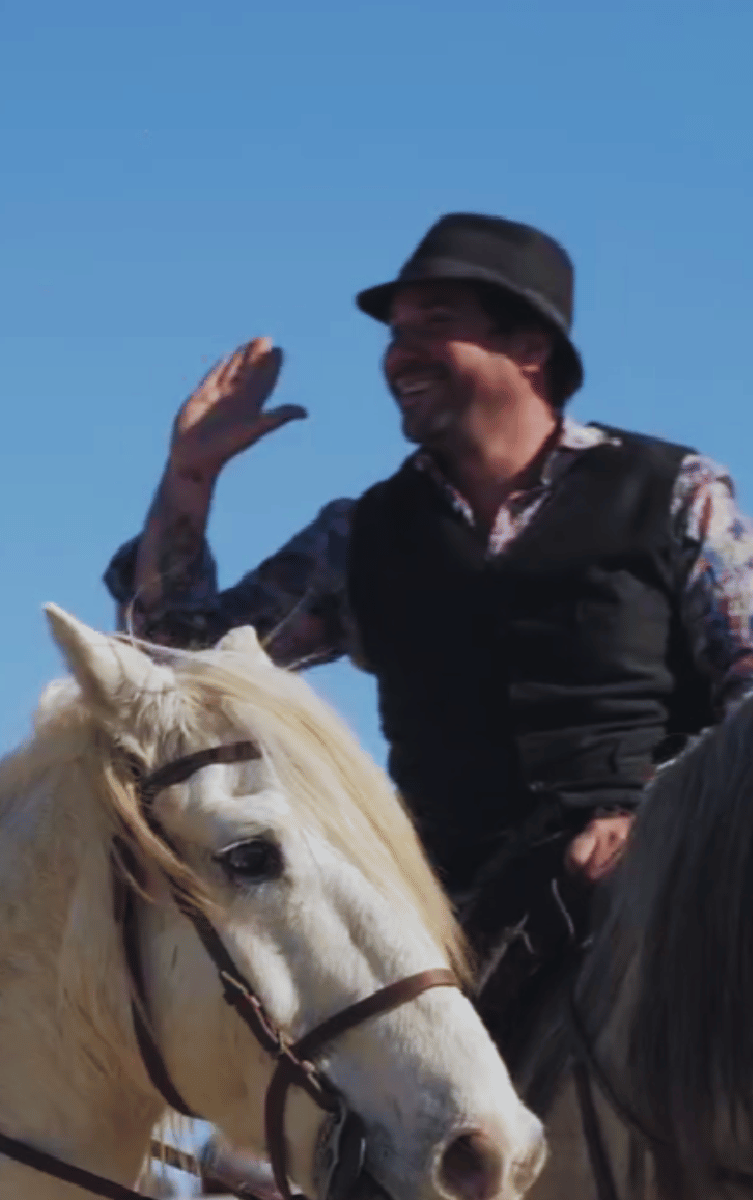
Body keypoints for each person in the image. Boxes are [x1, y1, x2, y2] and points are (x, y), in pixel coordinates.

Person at [103, 213, 753, 1067]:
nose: (398, 355)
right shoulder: (360, 536)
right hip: (451, 914)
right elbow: (184, 668)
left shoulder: (677, 490)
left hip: (666, 878)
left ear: (529, 349)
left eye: (434, 326)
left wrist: (658, 815)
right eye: (395, 333)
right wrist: (190, 478)